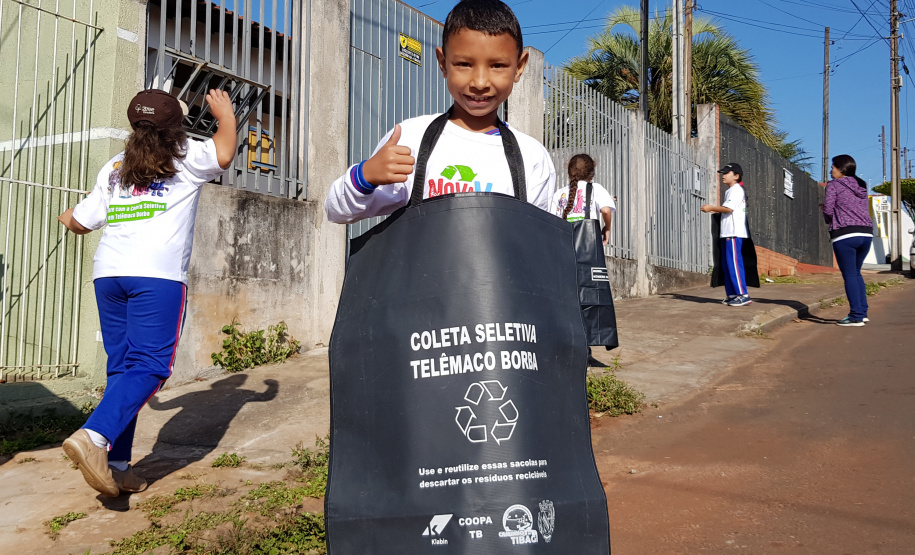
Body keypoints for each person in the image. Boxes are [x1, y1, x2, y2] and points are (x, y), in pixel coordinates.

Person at [57, 88, 237, 496]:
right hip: (155, 276)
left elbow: (83, 221)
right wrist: (225, 114)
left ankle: (117, 465)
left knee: (122, 369)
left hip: (110, 275)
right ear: (176, 126)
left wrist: (66, 217)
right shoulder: (185, 154)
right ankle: (94, 436)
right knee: (153, 365)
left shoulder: (116, 166)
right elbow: (224, 152)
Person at [324, 0, 555, 224]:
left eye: (497, 65)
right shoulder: (410, 139)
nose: (480, 82)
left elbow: (538, 245)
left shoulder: (532, 156)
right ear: (443, 63)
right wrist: (365, 176)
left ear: (520, 66)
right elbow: (336, 212)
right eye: (464, 64)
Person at [822, 154, 873, 326]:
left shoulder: (834, 185)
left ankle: (856, 316)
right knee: (856, 273)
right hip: (866, 233)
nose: (831, 171)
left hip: (845, 234)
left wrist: (828, 218)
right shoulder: (861, 185)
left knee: (850, 274)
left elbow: (828, 210)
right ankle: (862, 312)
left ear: (841, 169)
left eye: (833, 168)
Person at [701, 162, 751, 306]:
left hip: (734, 233)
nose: (723, 176)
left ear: (736, 176)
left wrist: (711, 207)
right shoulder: (731, 190)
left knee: (734, 264)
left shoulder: (736, 190)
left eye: (726, 173)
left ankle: (743, 294)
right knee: (727, 264)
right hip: (728, 232)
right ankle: (732, 294)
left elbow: (728, 209)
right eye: (723, 173)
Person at [552, 153, 615, 244]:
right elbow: (606, 210)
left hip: (563, 243)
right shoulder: (595, 188)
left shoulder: (559, 193)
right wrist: (607, 228)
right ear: (591, 173)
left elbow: (552, 218)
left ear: (570, 172)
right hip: (588, 243)